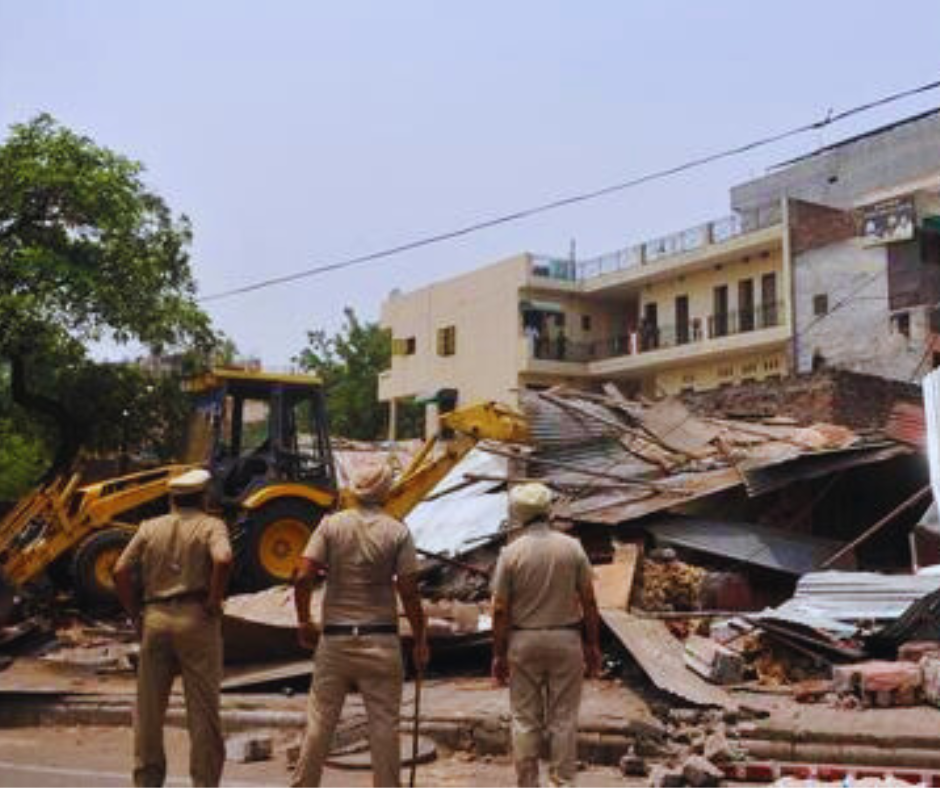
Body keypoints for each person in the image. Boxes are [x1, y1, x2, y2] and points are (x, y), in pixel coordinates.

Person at [291, 459, 429, 788]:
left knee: (320, 723)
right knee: (384, 726)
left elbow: (302, 576)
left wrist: (304, 621)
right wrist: (421, 639)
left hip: (335, 640)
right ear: (386, 491)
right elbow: (409, 593)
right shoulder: (397, 531)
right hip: (381, 641)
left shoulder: (330, 526)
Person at [113, 468, 233, 788]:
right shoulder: (211, 525)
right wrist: (213, 599)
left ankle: (147, 781)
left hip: (155, 618)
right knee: (203, 713)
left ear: (171, 498)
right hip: (197, 619)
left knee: (149, 712)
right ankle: (204, 782)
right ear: (204, 497)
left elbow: (120, 569)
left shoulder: (149, 527)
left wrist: (134, 614)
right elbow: (223, 559)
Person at [491, 483, 602, 788]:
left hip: (523, 641)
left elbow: (500, 609)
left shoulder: (510, 553)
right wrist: (593, 645)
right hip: (566, 640)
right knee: (564, 719)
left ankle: (528, 783)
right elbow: (590, 600)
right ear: (548, 510)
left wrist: (498, 654)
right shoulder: (573, 547)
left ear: (519, 514)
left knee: (525, 720)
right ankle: (562, 783)